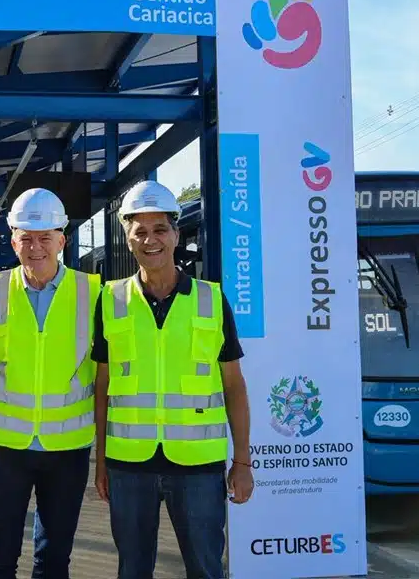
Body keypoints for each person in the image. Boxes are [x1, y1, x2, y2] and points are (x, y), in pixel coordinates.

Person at [92, 180, 253, 579]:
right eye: (140, 231)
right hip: (129, 465)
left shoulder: (211, 300)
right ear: (127, 239)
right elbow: (102, 387)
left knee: (206, 569)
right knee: (133, 570)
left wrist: (243, 461)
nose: (151, 240)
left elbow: (234, 385)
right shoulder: (110, 302)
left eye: (160, 229)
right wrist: (100, 461)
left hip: (198, 468)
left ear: (176, 234)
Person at [0, 188, 101, 579]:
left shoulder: (93, 293)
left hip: (67, 450)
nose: (35, 247)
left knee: (54, 562)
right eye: (26, 237)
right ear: (13, 240)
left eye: (45, 237)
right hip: (5, 447)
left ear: (62, 239)